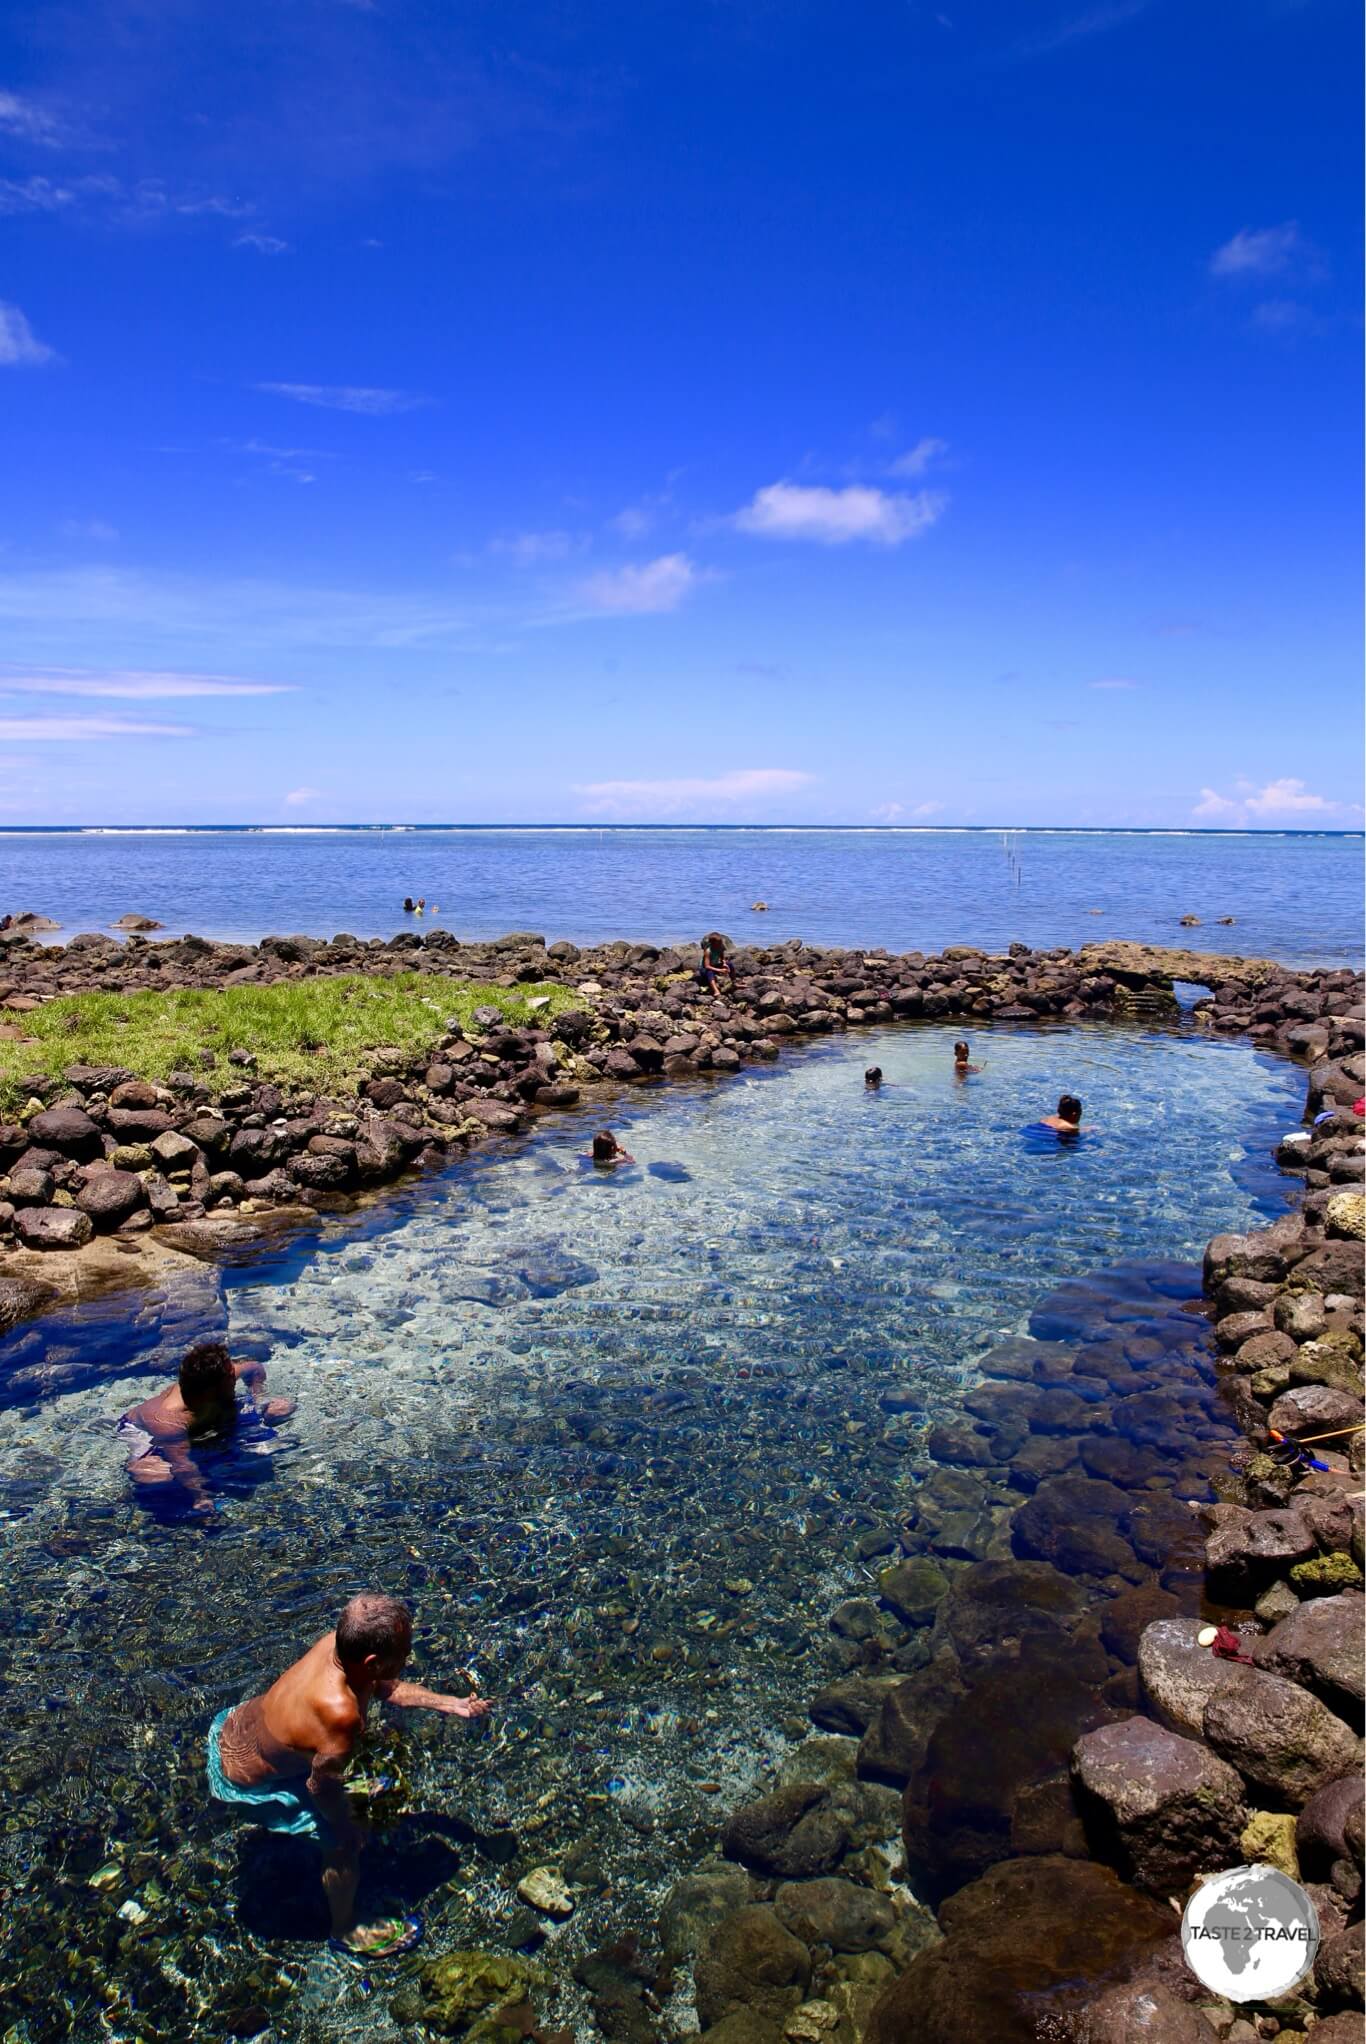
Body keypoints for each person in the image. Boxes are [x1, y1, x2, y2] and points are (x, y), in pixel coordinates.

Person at [209, 1594, 491, 1957]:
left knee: (358, 1788)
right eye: (404, 1654)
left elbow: (385, 1687)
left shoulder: (337, 1645)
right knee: (344, 1842)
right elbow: (319, 1785)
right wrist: (347, 1827)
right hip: (244, 1783)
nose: (407, 1659)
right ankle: (344, 1928)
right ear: (373, 1662)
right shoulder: (340, 1717)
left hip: (230, 1728)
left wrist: (453, 1705)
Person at [121, 1339, 295, 1514]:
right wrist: (200, 1497)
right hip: (142, 1431)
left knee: (281, 1409)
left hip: (207, 1411)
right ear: (212, 1389)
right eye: (230, 1380)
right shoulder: (168, 1421)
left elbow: (255, 1368)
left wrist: (260, 1397)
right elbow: (182, 1465)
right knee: (153, 1475)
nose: (234, 1378)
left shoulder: (219, 1376)